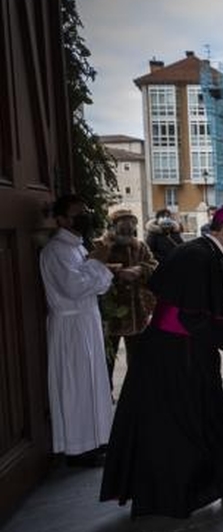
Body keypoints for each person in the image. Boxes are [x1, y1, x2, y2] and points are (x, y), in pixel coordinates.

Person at [99, 207, 223, 519]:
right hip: (178, 357)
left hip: (181, 352)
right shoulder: (200, 257)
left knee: (213, 412)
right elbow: (181, 316)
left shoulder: (196, 252)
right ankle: (182, 493)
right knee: (183, 425)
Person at [39, 195, 115, 468]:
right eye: (76, 213)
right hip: (70, 326)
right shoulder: (56, 250)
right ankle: (77, 447)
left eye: (85, 212)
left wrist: (95, 265)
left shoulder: (78, 247)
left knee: (92, 381)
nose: (84, 217)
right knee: (75, 384)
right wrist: (96, 263)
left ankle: (94, 440)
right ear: (60, 219)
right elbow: (73, 287)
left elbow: (100, 285)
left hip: (86, 320)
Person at [91, 211, 158, 384]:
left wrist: (140, 270)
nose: (128, 235)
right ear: (112, 228)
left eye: (131, 231)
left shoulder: (140, 246)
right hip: (110, 311)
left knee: (138, 359)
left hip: (137, 310)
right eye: (123, 231)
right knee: (107, 357)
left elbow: (153, 265)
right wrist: (117, 272)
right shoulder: (101, 246)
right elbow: (91, 269)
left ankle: (136, 392)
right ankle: (105, 391)